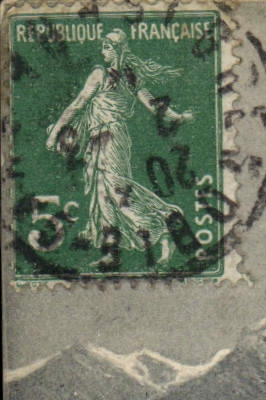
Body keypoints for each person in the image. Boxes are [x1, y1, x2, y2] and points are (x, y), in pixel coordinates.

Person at [44, 28, 194, 264]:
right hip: (99, 138)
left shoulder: (103, 74)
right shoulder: (130, 77)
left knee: (116, 189)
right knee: (102, 195)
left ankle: (166, 222)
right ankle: (110, 252)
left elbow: (77, 105)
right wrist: (178, 117)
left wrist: (54, 134)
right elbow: (156, 106)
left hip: (110, 136)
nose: (102, 51)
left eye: (107, 46)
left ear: (117, 50)